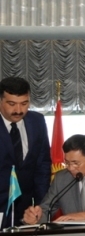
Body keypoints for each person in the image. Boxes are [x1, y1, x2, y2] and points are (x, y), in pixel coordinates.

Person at [0, 76, 51, 228]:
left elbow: (42, 166)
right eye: (11, 104)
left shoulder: (37, 121)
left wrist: (41, 206)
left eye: (24, 103)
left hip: (26, 210)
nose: (18, 110)